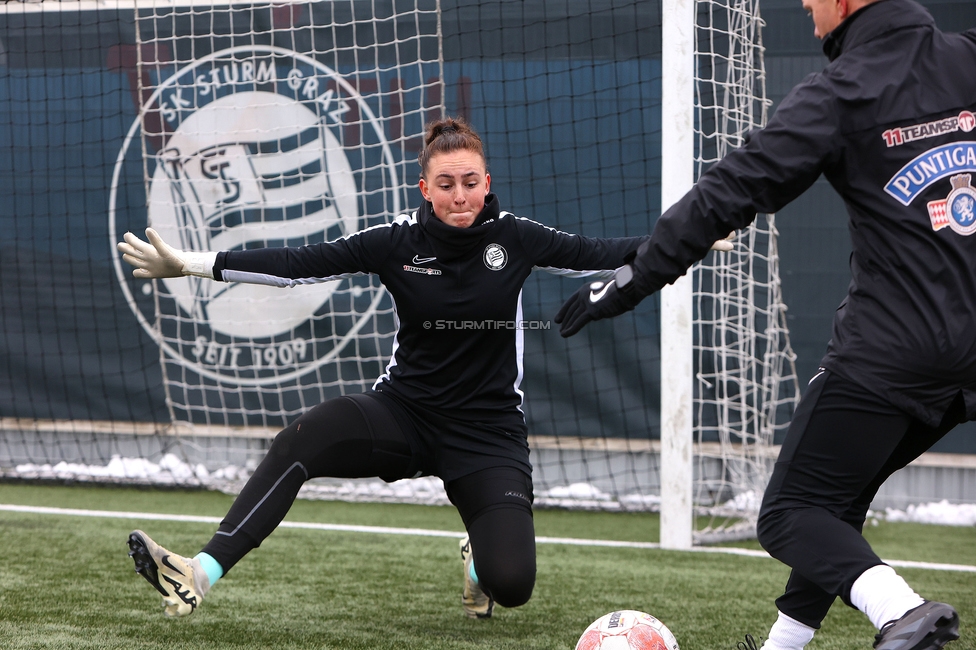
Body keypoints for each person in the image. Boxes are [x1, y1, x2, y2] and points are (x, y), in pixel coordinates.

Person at [117, 116, 663, 621]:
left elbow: (604, 251)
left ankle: (478, 556)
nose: (460, 195)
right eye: (445, 184)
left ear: (487, 182)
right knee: (301, 438)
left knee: (512, 585)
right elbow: (297, 265)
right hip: (404, 414)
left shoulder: (515, 237)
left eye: (470, 182)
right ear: (425, 189)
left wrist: (687, 239)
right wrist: (191, 264)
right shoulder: (396, 241)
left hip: (488, 434)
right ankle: (199, 572)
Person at [555, 0, 974, 649]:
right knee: (837, 496)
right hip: (967, 355)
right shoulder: (967, 58)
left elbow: (728, 191)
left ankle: (904, 614)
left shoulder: (841, 91)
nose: (805, 4)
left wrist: (636, 276)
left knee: (787, 514)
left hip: (890, 352)